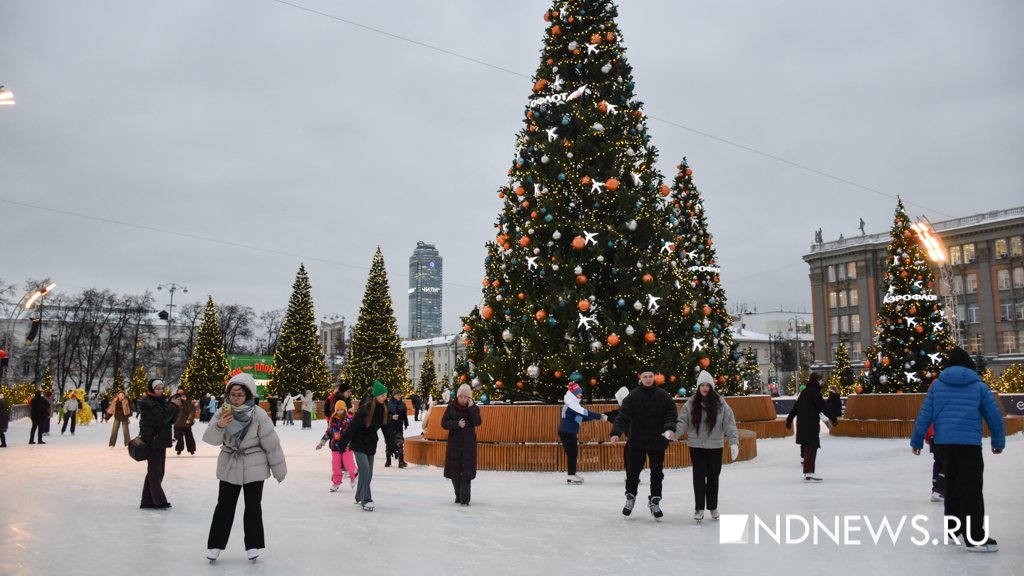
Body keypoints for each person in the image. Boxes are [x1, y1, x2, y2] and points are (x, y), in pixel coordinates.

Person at [911, 347, 1005, 552]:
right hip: (969, 445)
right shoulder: (978, 386)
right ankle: (974, 537)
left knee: (952, 486)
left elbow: (924, 415)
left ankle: (954, 532)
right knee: (971, 489)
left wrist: (916, 441)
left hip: (944, 444)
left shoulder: (937, 386)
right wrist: (998, 441)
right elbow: (995, 416)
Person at [203, 373, 287, 562]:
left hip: (254, 464)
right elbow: (210, 439)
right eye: (232, 394)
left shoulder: (258, 414)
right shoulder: (222, 412)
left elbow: (271, 444)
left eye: (240, 394)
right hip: (230, 463)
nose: (236, 398)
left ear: (248, 395)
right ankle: (215, 545)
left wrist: (279, 470)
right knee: (224, 506)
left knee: (253, 507)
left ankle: (253, 545)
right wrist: (219, 425)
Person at [610, 366, 678, 518]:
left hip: (657, 442)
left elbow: (671, 414)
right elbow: (622, 416)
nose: (648, 379)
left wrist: (669, 428)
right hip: (637, 441)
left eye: (650, 376)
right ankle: (630, 497)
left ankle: (655, 501)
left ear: (654, 377)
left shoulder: (663, 396)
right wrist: (616, 432)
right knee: (633, 472)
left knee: (657, 473)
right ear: (640, 377)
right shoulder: (633, 397)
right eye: (645, 376)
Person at [675, 370, 739, 522]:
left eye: (707, 385)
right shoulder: (691, 403)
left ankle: (712, 506)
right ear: (698, 387)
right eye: (702, 385)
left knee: (713, 477)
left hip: (715, 446)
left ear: (712, 387)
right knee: (698, 476)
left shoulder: (720, 404)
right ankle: (699, 508)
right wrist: (674, 434)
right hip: (696, 445)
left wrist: (733, 442)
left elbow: (729, 423)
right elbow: (682, 421)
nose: (704, 388)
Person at [337, 380, 396, 511]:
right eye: (382, 395)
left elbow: (387, 430)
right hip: (358, 443)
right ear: (376, 396)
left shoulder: (384, 410)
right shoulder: (365, 409)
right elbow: (352, 427)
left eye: (386, 395)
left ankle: (359, 496)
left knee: (369, 474)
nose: (385, 397)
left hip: (370, 444)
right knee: (365, 470)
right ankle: (366, 499)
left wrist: (392, 446)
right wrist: (343, 442)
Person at [138, 378, 182, 509]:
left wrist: (176, 407)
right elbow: (161, 418)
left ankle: (147, 501)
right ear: (152, 389)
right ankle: (158, 500)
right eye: (157, 388)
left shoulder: (161, 401)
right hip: (153, 440)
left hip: (160, 440)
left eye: (162, 388)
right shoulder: (148, 403)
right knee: (156, 471)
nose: (161, 391)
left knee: (155, 471)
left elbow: (170, 419)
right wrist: (172, 405)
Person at [786, 372, 837, 482]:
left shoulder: (805, 392)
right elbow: (824, 407)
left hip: (803, 423)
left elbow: (795, 408)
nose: (821, 382)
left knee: (809, 447)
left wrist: (789, 420)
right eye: (820, 380)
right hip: (810, 424)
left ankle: (808, 472)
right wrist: (833, 418)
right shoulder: (814, 393)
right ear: (816, 381)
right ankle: (809, 472)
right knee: (811, 447)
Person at [558, 381, 607, 484]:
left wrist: (594, 419)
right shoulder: (572, 404)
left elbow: (580, 418)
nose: (581, 394)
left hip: (567, 431)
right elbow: (584, 413)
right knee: (572, 453)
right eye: (579, 392)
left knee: (572, 453)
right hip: (567, 431)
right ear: (574, 394)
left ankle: (572, 474)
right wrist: (600, 416)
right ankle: (571, 475)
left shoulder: (571, 404)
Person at [442, 384, 482, 505]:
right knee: (454, 472)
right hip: (454, 444)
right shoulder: (451, 407)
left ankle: (465, 499)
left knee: (466, 473)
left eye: (465, 397)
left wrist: (470, 408)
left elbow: (477, 421)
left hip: (468, 445)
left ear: (469, 398)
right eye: (460, 396)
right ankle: (458, 495)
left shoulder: (474, 408)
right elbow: (444, 423)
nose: (463, 399)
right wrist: (456, 424)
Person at [316, 400, 357, 491]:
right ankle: (336, 482)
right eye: (338, 410)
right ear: (336, 410)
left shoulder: (349, 419)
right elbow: (329, 432)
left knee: (348, 462)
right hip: (335, 446)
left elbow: (354, 431)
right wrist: (322, 442)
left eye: (342, 409)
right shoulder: (333, 419)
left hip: (346, 446)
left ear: (345, 410)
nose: (340, 411)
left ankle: (353, 476)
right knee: (336, 465)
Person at [386, 388, 409, 468]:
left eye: (400, 394)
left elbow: (404, 415)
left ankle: (401, 461)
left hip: (399, 427)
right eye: (397, 395)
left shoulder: (402, 404)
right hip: (390, 427)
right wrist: (391, 417)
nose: (399, 396)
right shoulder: (389, 404)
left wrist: (406, 423)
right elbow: (385, 416)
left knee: (400, 444)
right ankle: (388, 461)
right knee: (389, 444)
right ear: (393, 395)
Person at [173, 387, 197, 456]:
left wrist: (189, 419)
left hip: (187, 424)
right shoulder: (178, 403)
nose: (182, 398)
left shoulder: (190, 405)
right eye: (182, 396)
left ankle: (192, 450)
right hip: (178, 423)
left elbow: (192, 413)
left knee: (189, 437)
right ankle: (179, 450)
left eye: (184, 396)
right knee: (179, 438)